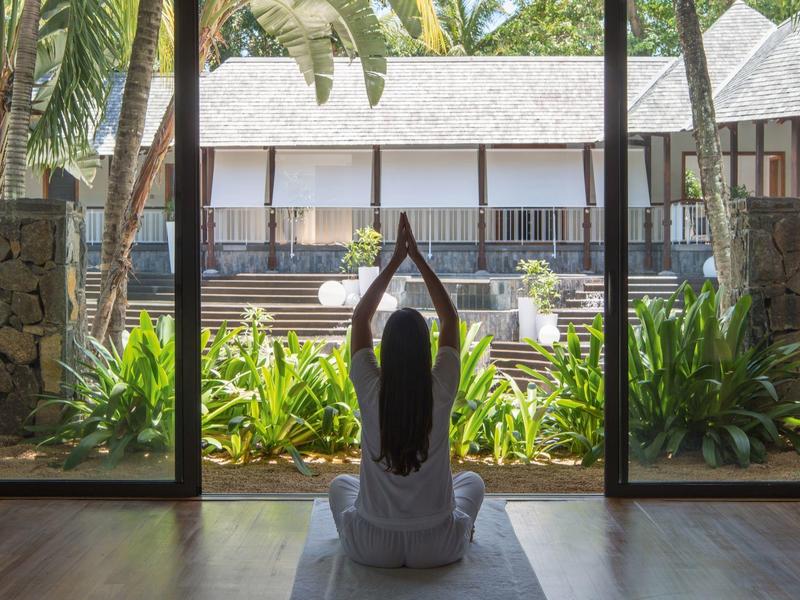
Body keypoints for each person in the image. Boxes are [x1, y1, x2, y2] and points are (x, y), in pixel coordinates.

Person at [328, 212, 485, 569]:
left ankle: (354, 531)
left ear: (385, 351)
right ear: (425, 350)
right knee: (472, 481)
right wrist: (418, 259)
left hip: (371, 544)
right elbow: (450, 319)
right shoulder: (440, 387)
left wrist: (394, 261)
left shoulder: (370, 387)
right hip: (438, 544)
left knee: (340, 485)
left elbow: (360, 319)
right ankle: (463, 531)